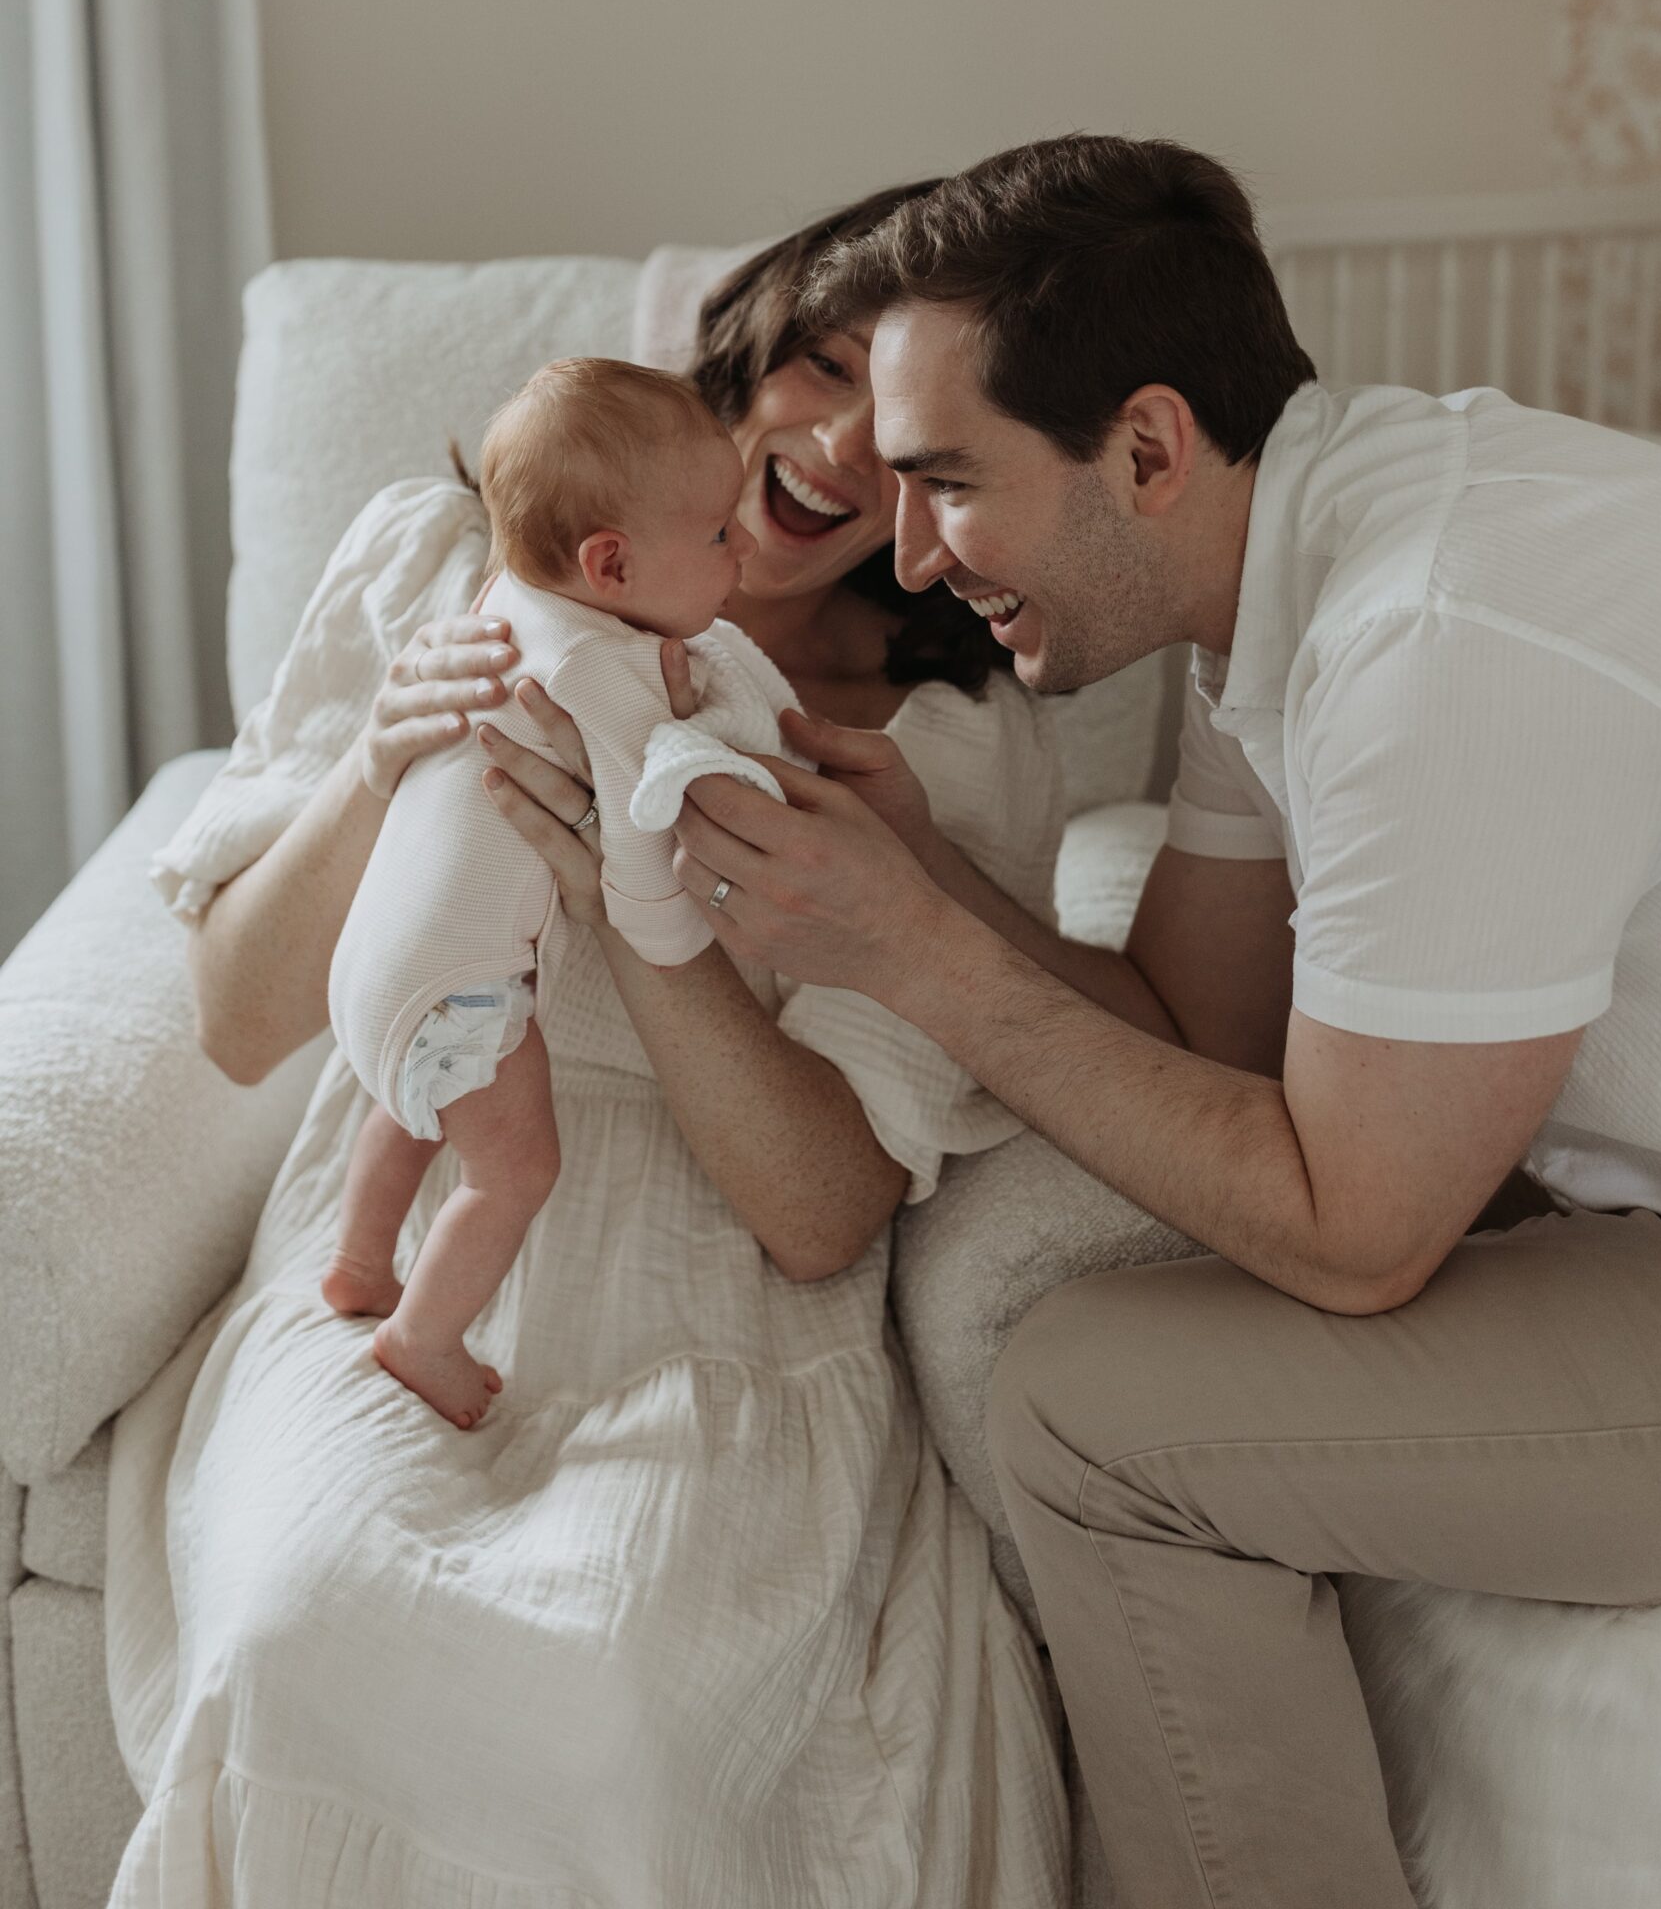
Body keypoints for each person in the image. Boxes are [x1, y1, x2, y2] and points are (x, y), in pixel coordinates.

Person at [672, 132, 1661, 1909]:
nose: (909, 559)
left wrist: (914, 958)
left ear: (1143, 446)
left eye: (945, 481)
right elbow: (1198, 1027)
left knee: (1092, 1414)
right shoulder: (1295, 550)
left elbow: (1355, 1233)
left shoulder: (1431, 642)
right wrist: (930, 887)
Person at [104, 188, 1071, 1907]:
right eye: (823, 369)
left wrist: (643, 889)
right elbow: (243, 1016)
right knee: (306, 1616)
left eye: (910, 422)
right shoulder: (434, 554)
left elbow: (820, 1213)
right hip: (396, 1225)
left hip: (709, 1289)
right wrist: (378, 766)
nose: (843, 444)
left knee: (618, 1689)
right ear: (750, 341)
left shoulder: (933, 741)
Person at [324, 355, 798, 1428]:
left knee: (408, 1102)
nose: (745, 549)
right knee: (512, 1167)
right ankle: (422, 1338)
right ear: (613, 562)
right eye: (721, 534)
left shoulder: (504, 597)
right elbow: (638, 837)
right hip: (459, 983)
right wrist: (672, 901)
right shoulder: (601, 673)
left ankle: (360, 1259)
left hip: (372, 967)